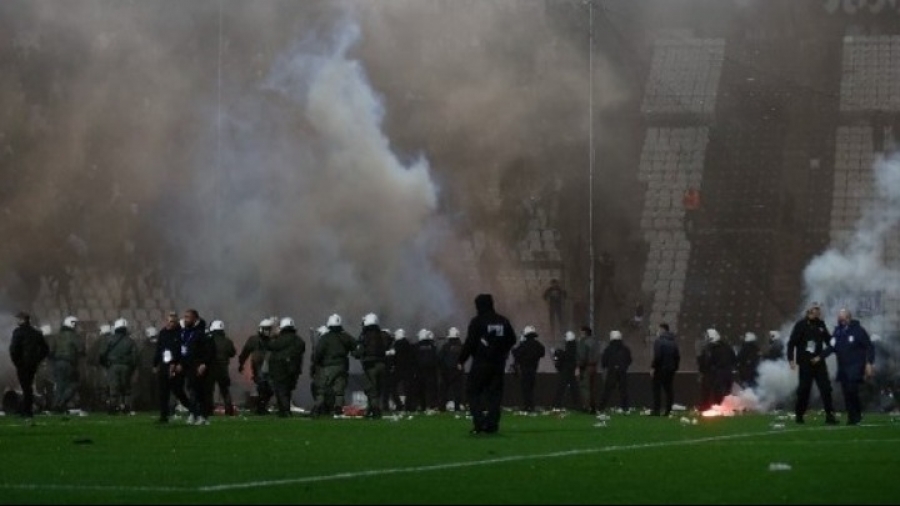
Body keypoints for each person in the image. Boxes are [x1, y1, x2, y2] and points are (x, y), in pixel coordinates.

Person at [458, 293, 516, 435]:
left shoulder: (477, 321)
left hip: (481, 362)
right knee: (495, 395)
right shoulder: (503, 321)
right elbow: (512, 339)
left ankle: (479, 422)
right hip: (498, 363)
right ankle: (492, 425)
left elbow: (470, 343)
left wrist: (461, 360)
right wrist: (502, 350)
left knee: (473, 392)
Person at [787, 302, 838, 425]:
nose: (818, 312)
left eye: (818, 309)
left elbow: (829, 340)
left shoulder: (821, 324)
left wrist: (837, 339)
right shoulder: (800, 325)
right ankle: (799, 414)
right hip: (805, 363)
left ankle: (830, 415)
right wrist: (791, 360)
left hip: (819, 362)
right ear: (809, 311)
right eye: (816, 309)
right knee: (804, 389)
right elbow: (791, 343)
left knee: (826, 389)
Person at [826, 308, 874, 425]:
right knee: (846, 393)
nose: (841, 321)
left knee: (852, 390)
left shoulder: (858, 331)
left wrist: (869, 363)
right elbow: (831, 347)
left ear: (849, 318)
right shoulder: (837, 332)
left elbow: (869, 347)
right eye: (840, 319)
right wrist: (819, 357)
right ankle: (852, 417)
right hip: (843, 367)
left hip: (856, 366)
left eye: (843, 318)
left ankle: (856, 415)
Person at [312, 314, 355, 417]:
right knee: (339, 390)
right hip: (342, 366)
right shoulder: (346, 336)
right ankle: (338, 409)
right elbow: (356, 347)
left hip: (328, 366)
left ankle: (317, 408)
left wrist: (316, 362)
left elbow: (318, 352)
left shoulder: (326, 338)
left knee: (322, 389)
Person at [9, 311, 49, 421]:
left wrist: (17, 362)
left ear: (23, 320)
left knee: (26, 387)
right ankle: (27, 409)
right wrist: (37, 360)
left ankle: (27, 410)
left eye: (18, 319)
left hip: (22, 364)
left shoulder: (18, 332)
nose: (17, 321)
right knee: (28, 387)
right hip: (32, 364)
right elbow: (45, 349)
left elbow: (13, 349)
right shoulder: (36, 332)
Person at [153, 313, 190, 423]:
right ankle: (163, 416)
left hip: (176, 367)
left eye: (172, 321)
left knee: (178, 391)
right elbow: (159, 349)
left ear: (176, 322)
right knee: (163, 392)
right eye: (168, 321)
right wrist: (155, 364)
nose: (170, 323)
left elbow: (183, 351)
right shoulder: (163, 333)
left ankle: (193, 410)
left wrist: (179, 364)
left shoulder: (182, 334)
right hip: (164, 366)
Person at [354, 313, 391, 419]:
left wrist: (355, 353)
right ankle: (371, 408)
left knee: (371, 389)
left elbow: (359, 351)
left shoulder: (365, 335)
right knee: (378, 388)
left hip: (370, 366)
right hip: (382, 365)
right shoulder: (383, 335)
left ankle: (375, 410)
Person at [181, 309, 213, 425]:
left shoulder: (203, 332)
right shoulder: (186, 332)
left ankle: (202, 416)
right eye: (185, 317)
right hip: (188, 365)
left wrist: (204, 364)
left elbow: (210, 350)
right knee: (191, 390)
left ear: (195, 318)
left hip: (199, 365)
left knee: (200, 392)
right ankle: (194, 414)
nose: (185, 319)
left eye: (188, 317)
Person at [267, 317, 304, 418]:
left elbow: (271, 346)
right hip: (294, 369)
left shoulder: (280, 339)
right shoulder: (298, 340)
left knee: (281, 390)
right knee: (287, 390)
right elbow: (301, 348)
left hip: (279, 368)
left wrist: (273, 336)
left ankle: (285, 411)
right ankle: (284, 410)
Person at [100, 318, 138, 415]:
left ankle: (113, 407)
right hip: (126, 366)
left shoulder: (109, 339)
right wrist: (132, 368)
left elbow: (102, 354)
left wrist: (106, 365)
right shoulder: (130, 341)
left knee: (113, 388)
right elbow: (135, 357)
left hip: (113, 366)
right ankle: (126, 407)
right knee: (126, 389)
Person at [237, 318, 275, 415]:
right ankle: (260, 408)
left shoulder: (272, 340)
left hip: (270, 368)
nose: (268, 331)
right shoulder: (253, 340)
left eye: (269, 329)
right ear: (261, 329)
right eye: (266, 329)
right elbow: (245, 353)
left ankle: (261, 406)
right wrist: (241, 364)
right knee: (262, 387)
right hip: (258, 367)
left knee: (271, 389)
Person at [49, 315, 85, 413]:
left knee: (60, 386)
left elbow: (51, 351)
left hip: (57, 363)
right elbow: (81, 349)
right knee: (73, 384)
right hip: (69, 363)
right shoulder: (74, 336)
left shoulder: (57, 336)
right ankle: (61, 403)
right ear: (72, 324)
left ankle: (55, 405)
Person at [697, 328, 735, 408]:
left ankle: (707, 407)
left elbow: (705, 362)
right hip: (727, 373)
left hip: (714, 374)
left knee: (710, 391)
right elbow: (733, 358)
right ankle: (722, 407)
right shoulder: (727, 347)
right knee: (724, 393)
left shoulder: (709, 348)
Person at [511, 325, 546, 413]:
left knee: (525, 389)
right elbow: (542, 353)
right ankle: (531, 406)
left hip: (525, 369)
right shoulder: (538, 345)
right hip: (533, 369)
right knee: (531, 388)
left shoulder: (524, 345)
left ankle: (528, 406)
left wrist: (520, 344)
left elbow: (516, 353)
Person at [598, 330, 632, 412]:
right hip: (622, 371)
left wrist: (606, 366)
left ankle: (601, 407)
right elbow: (629, 360)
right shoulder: (625, 349)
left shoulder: (608, 349)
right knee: (623, 390)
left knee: (607, 390)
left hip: (612, 371)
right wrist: (624, 366)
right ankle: (625, 407)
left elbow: (604, 360)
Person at [208, 320, 237, 416]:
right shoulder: (228, 341)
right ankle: (229, 410)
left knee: (209, 390)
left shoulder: (209, 340)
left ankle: (208, 410)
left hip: (211, 368)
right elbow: (232, 353)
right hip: (223, 369)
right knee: (225, 390)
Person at [650, 323, 680, 416]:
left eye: (658, 329)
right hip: (670, 369)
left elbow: (658, 356)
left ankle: (656, 410)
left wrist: (653, 367)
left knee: (657, 390)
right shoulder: (674, 342)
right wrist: (674, 368)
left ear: (662, 330)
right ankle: (668, 410)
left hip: (660, 369)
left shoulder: (658, 341)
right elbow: (677, 357)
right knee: (669, 390)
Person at [551, 331, 581, 410]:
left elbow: (567, 356)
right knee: (574, 388)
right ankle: (577, 404)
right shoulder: (573, 346)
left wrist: (558, 353)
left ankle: (556, 404)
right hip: (570, 370)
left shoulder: (570, 347)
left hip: (566, 370)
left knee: (561, 388)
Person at [438, 327, 465, 412]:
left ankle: (442, 408)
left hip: (446, 371)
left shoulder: (446, 346)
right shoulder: (461, 346)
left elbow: (440, 358)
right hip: (458, 371)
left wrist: (442, 368)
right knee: (457, 390)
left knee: (444, 390)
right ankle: (457, 407)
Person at [577, 326, 602, 414]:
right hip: (594, 367)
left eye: (581, 333)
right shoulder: (595, 342)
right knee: (591, 388)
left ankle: (586, 406)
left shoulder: (583, 342)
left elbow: (582, 356)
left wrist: (579, 366)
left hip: (586, 367)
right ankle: (593, 406)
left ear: (584, 333)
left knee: (585, 387)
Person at [414, 328, 440, 412]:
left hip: (420, 370)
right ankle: (432, 405)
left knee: (420, 389)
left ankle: (422, 406)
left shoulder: (416, 346)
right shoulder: (432, 346)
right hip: (431, 371)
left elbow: (414, 359)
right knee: (431, 389)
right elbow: (436, 358)